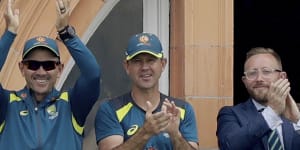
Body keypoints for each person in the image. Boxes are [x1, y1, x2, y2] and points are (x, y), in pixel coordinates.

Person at [0, 0, 101, 149]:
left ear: (59, 69)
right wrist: (10, 33)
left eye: (48, 65)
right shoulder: (8, 104)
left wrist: (66, 32)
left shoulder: (71, 104)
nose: (41, 72)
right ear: (22, 68)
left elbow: (92, 74)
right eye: (33, 65)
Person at [94, 32, 199, 150]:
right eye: (137, 61)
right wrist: (145, 133)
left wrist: (175, 135)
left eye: (151, 60)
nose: (144, 67)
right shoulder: (110, 109)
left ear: (163, 64)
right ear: (127, 66)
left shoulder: (181, 110)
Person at [217, 47, 300, 150]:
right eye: (252, 73)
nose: (259, 79)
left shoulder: (296, 113)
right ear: (245, 81)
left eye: (266, 71)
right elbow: (228, 146)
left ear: (282, 77)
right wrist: (272, 112)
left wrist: (298, 122)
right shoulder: (231, 114)